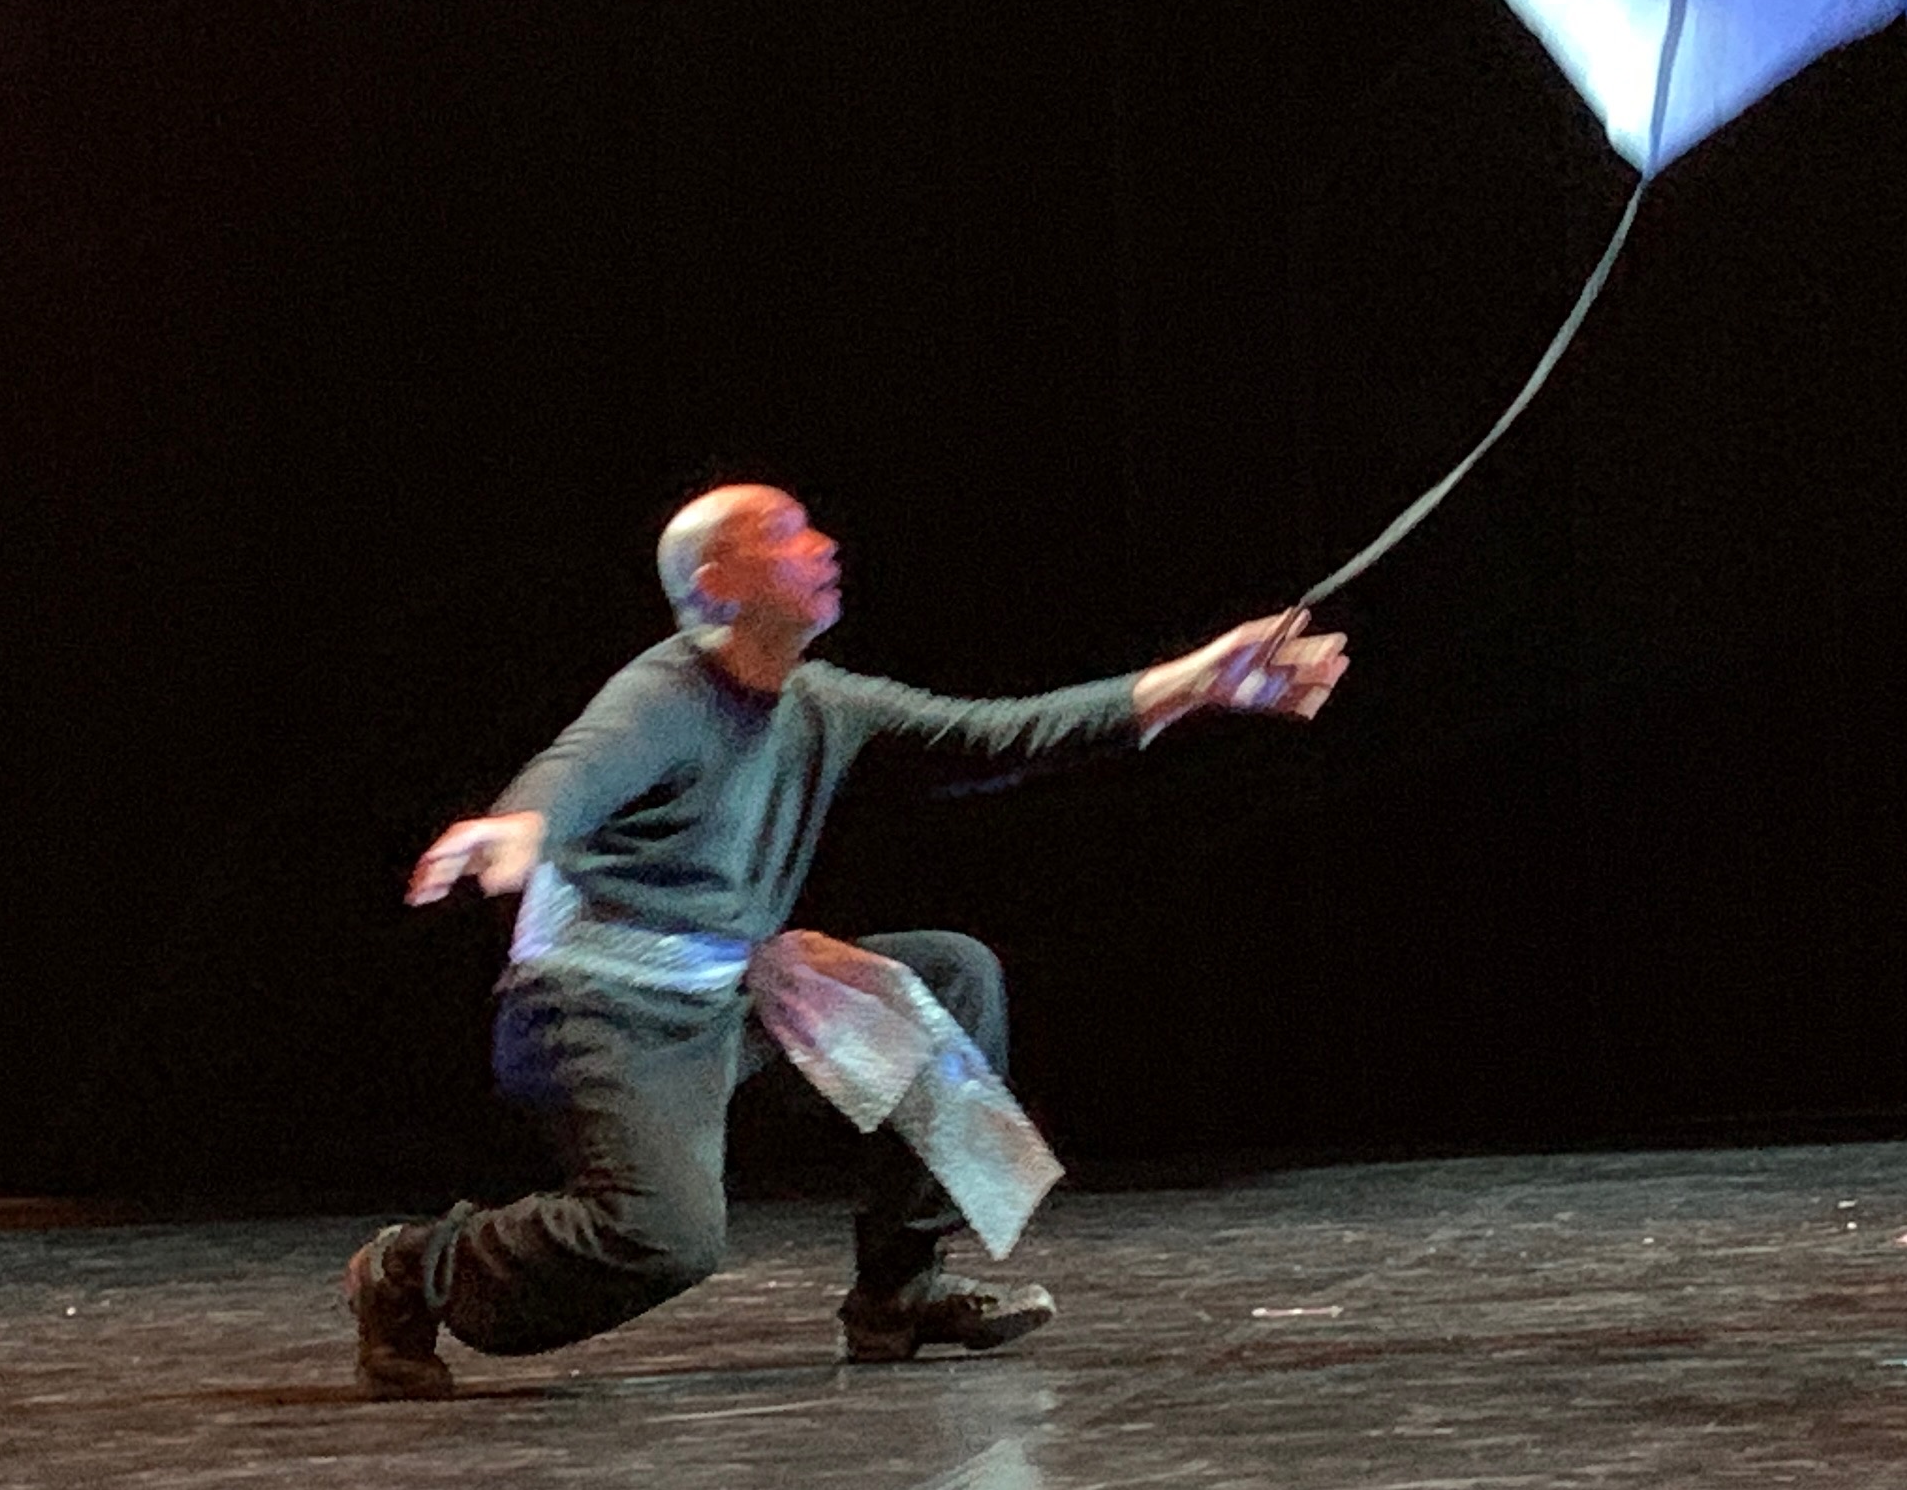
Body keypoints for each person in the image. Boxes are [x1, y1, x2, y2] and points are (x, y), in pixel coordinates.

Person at [348, 482, 1345, 1400]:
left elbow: (997, 734)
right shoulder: (666, 692)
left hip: (731, 993)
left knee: (947, 975)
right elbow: (583, 765)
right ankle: (411, 1270)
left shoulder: (822, 701)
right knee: (663, 1240)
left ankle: (899, 1294)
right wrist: (519, 825)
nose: (822, 545)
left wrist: (1200, 682)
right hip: (602, 1012)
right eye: (783, 533)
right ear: (716, 583)